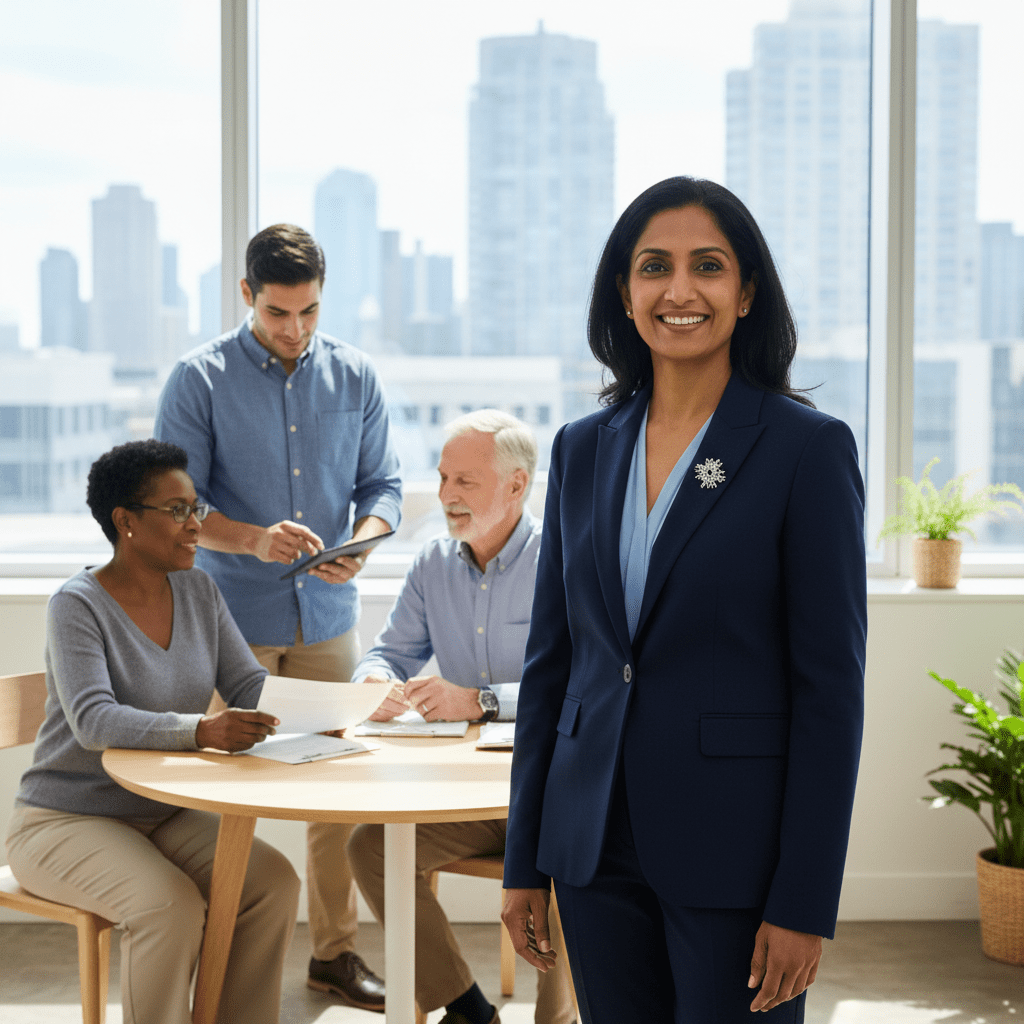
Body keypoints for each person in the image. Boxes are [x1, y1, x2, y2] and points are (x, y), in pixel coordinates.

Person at [501, 177, 867, 1024]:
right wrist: (526, 857)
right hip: (594, 847)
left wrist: (805, 900)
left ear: (745, 294)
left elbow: (830, 694)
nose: (679, 290)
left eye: (708, 266)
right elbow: (554, 665)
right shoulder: (583, 449)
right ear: (624, 296)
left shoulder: (805, 450)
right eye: (653, 267)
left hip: (734, 854)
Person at [154, 223, 402, 1011]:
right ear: (245, 296)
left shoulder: (356, 377)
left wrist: (361, 544)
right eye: (276, 313)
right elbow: (175, 507)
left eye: (309, 313)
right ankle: (220, 949)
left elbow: (384, 486)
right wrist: (255, 539)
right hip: (233, 628)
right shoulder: (198, 379)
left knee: (337, 797)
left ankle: (333, 956)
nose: (294, 331)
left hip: (328, 620)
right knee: (225, 797)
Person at [4, 440, 299, 1024]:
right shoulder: (76, 605)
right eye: (179, 511)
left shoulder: (199, 591)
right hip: (65, 819)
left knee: (271, 885)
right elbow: (93, 720)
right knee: (170, 907)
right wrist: (202, 731)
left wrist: (342, 706)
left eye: (197, 508)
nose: (196, 526)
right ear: (126, 522)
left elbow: (248, 684)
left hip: (160, 812)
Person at [346, 410, 577, 1024]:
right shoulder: (432, 565)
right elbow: (387, 652)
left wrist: (482, 699)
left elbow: (589, 682)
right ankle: (467, 1009)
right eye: (444, 478)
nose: (446, 495)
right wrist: (375, 681)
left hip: (556, 796)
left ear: (517, 485)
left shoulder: (565, 560)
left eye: (465, 482)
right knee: (371, 847)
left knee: (576, 875)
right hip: (471, 800)